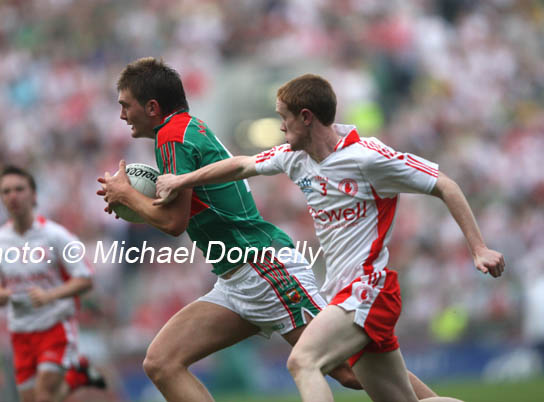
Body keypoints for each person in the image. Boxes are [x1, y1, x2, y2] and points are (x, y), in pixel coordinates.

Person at [97, 57, 438, 401]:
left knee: (348, 368)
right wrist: (132, 201)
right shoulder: (188, 127)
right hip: (236, 277)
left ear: (152, 107)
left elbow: (173, 222)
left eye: (126, 105)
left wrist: (127, 195)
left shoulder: (172, 135)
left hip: (263, 267)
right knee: (161, 361)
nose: (122, 114)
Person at [154, 73, 505, 402]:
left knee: (303, 362)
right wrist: (182, 181)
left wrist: (479, 248)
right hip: (343, 293)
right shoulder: (294, 157)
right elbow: (241, 165)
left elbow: (445, 185)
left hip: (369, 289)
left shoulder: (367, 157)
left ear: (306, 117)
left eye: (284, 117)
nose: (280, 125)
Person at [0, 165, 105, 402]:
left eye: (19, 189)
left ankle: (75, 376)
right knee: (32, 399)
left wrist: (50, 296)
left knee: (44, 395)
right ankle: (77, 377)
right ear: (1, 198)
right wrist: (0, 294)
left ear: (33, 195)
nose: (13, 196)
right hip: (21, 331)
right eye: (6, 191)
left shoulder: (56, 235)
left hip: (55, 325)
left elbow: (86, 279)